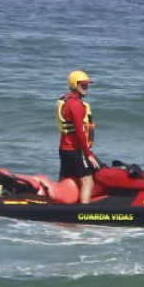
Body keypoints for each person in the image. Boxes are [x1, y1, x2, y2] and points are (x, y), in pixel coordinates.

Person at [56, 70, 100, 202]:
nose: (86, 87)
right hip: (75, 150)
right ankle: (84, 213)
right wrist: (88, 154)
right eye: (83, 84)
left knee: (64, 180)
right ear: (74, 85)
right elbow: (80, 132)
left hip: (64, 149)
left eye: (87, 84)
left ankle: (56, 206)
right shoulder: (76, 105)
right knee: (87, 181)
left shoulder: (66, 100)